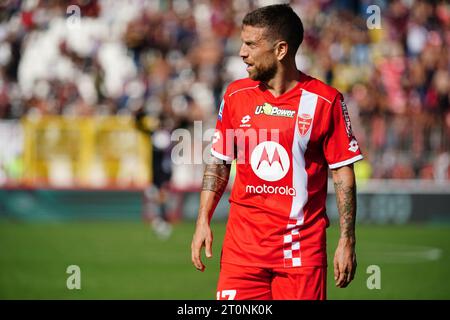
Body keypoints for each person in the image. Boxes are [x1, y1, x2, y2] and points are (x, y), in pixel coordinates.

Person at [191, 4, 363, 300]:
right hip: (241, 254)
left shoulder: (325, 101)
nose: (242, 53)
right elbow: (219, 162)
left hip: (300, 255)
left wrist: (347, 240)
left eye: (251, 44)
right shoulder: (235, 95)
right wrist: (202, 219)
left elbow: (342, 171)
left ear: (281, 50)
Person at [134, 108, 173, 240]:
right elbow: (139, 126)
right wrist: (140, 114)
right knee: (158, 196)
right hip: (158, 171)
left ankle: (162, 219)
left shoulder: (163, 135)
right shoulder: (160, 135)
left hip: (162, 171)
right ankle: (161, 219)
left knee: (160, 196)